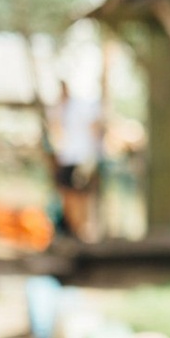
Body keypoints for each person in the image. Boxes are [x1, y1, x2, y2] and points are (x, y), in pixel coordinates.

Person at [50, 81, 101, 242]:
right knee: (69, 195)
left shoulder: (81, 106)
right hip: (68, 158)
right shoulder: (59, 108)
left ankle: (81, 230)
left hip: (80, 158)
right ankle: (74, 229)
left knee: (80, 196)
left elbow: (94, 129)